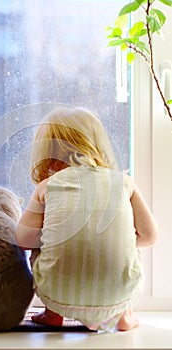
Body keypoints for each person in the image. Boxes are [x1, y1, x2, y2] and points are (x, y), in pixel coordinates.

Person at [16, 106, 158, 332]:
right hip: (118, 290)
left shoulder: (47, 188)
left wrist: (57, 236)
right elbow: (150, 236)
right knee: (129, 247)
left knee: (41, 250)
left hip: (58, 291)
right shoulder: (123, 183)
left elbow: (23, 239)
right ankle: (124, 315)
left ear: (46, 152)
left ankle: (53, 314)